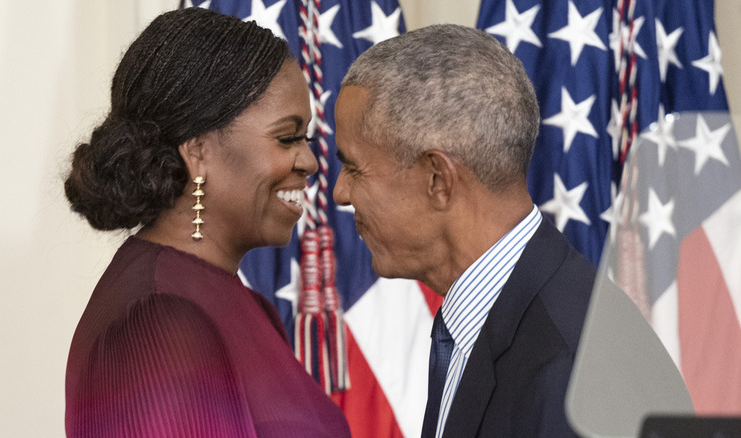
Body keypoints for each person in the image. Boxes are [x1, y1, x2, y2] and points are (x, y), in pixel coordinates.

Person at [63, 8, 351, 438]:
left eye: (306, 139)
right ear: (197, 150)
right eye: (287, 138)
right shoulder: (159, 318)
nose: (309, 161)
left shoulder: (236, 302)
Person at [333, 24, 594, 438]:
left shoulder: (568, 372)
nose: (339, 193)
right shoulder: (503, 318)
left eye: (353, 168)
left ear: (438, 179)